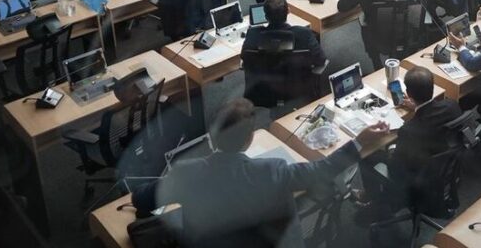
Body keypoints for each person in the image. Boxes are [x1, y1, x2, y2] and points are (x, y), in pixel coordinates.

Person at [134, 98, 388, 248]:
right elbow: (322, 169)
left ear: (211, 136)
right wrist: (359, 142)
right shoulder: (273, 171)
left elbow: (141, 200)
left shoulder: (185, 172)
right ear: (249, 139)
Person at [359, 66, 463, 215]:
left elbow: (395, 168)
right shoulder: (452, 106)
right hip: (443, 171)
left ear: (408, 93)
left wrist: (392, 149)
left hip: (417, 183)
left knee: (367, 156)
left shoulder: (409, 131)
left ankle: (375, 200)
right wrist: (417, 106)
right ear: (432, 87)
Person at [242, 0, 324, 67]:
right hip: (297, 78)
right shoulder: (304, 34)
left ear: (266, 17)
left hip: (263, 78)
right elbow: (321, 60)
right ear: (288, 11)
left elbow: (244, 58)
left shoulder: (253, 34)